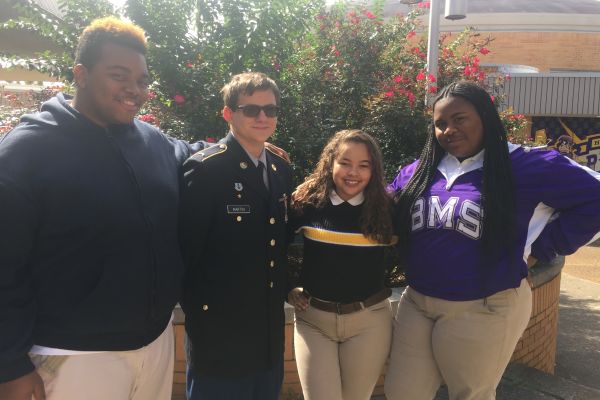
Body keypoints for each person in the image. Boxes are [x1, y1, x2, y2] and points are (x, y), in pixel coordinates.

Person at [0, 16, 220, 400]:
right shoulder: (27, 153)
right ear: (81, 74)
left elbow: (193, 155)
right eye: (119, 75)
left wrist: (241, 148)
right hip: (72, 357)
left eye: (142, 80)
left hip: (154, 346)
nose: (133, 89)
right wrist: (8, 364)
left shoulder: (153, 142)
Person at [384, 80, 600, 400]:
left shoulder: (527, 164)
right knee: (402, 392)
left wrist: (543, 247)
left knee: (469, 394)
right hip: (417, 302)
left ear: (485, 116)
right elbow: (379, 207)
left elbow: (594, 197)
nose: (449, 129)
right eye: (440, 124)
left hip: (484, 306)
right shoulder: (420, 170)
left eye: (460, 119)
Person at [179, 72, 293, 400]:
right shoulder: (205, 169)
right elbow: (188, 252)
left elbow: (279, 242)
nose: (262, 117)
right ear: (228, 113)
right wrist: (205, 317)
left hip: (268, 332)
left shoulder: (279, 168)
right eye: (251, 109)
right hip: (219, 333)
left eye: (270, 110)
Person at [287, 129, 396, 400]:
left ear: (374, 170)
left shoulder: (388, 209)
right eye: (345, 163)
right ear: (330, 163)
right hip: (314, 322)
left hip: (369, 323)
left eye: (363, 165)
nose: (353, 173)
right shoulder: (307, 203)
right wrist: (288, 286)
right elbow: (272, 247)